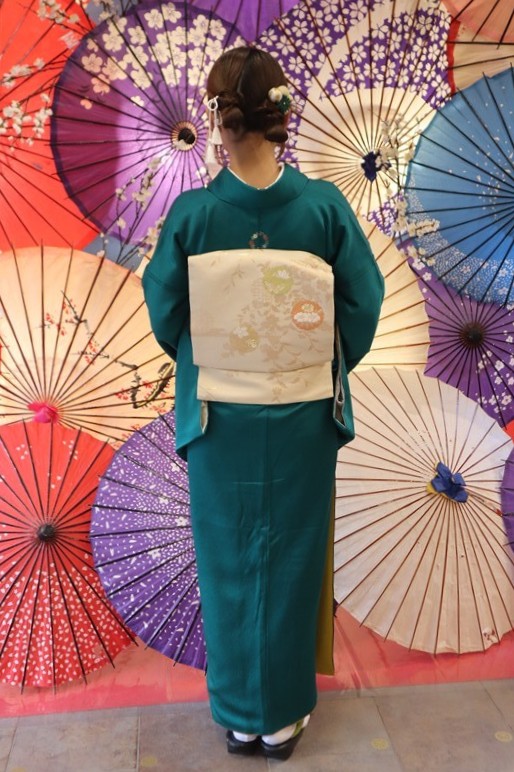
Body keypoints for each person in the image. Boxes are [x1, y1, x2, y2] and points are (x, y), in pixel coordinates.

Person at [142, 45, 384, 761]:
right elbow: (363, 305)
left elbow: (167, 314)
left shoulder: (192, 214)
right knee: (292, 556)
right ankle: (281, 719)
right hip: (304, 413)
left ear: (217, 118)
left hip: (219, 418)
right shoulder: (323, 207)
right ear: (281, 116)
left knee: (227, 557)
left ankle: (241, 717)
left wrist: (217, 353)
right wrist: (309, 359)